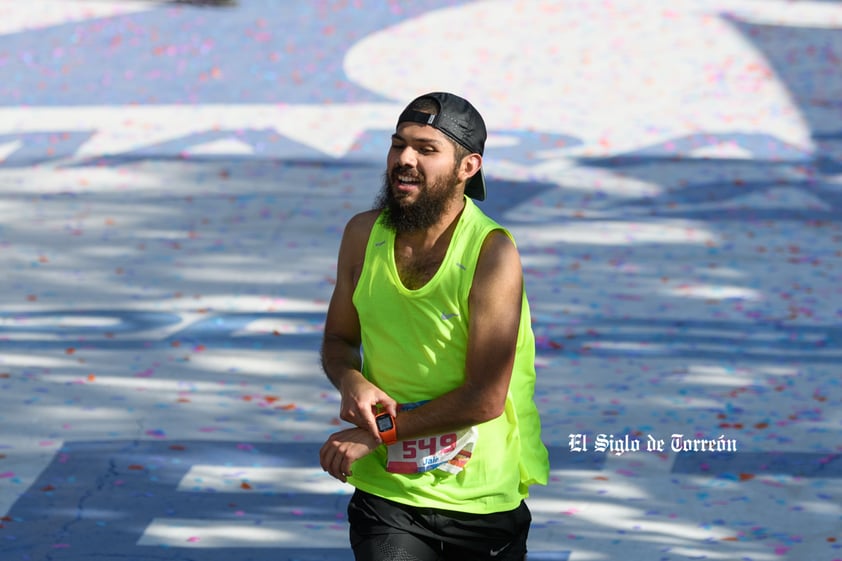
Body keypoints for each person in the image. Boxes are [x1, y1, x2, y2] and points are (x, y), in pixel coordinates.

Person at [319, 92, 549, 561]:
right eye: (398, 144)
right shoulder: (363, 235)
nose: (404, 159)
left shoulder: (492, 254)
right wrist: (351, 379)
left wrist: (376, 432)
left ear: (468, 167)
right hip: (390, 494)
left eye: (426, 149)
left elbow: (485, 398)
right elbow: (338, 340)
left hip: (481, 497)